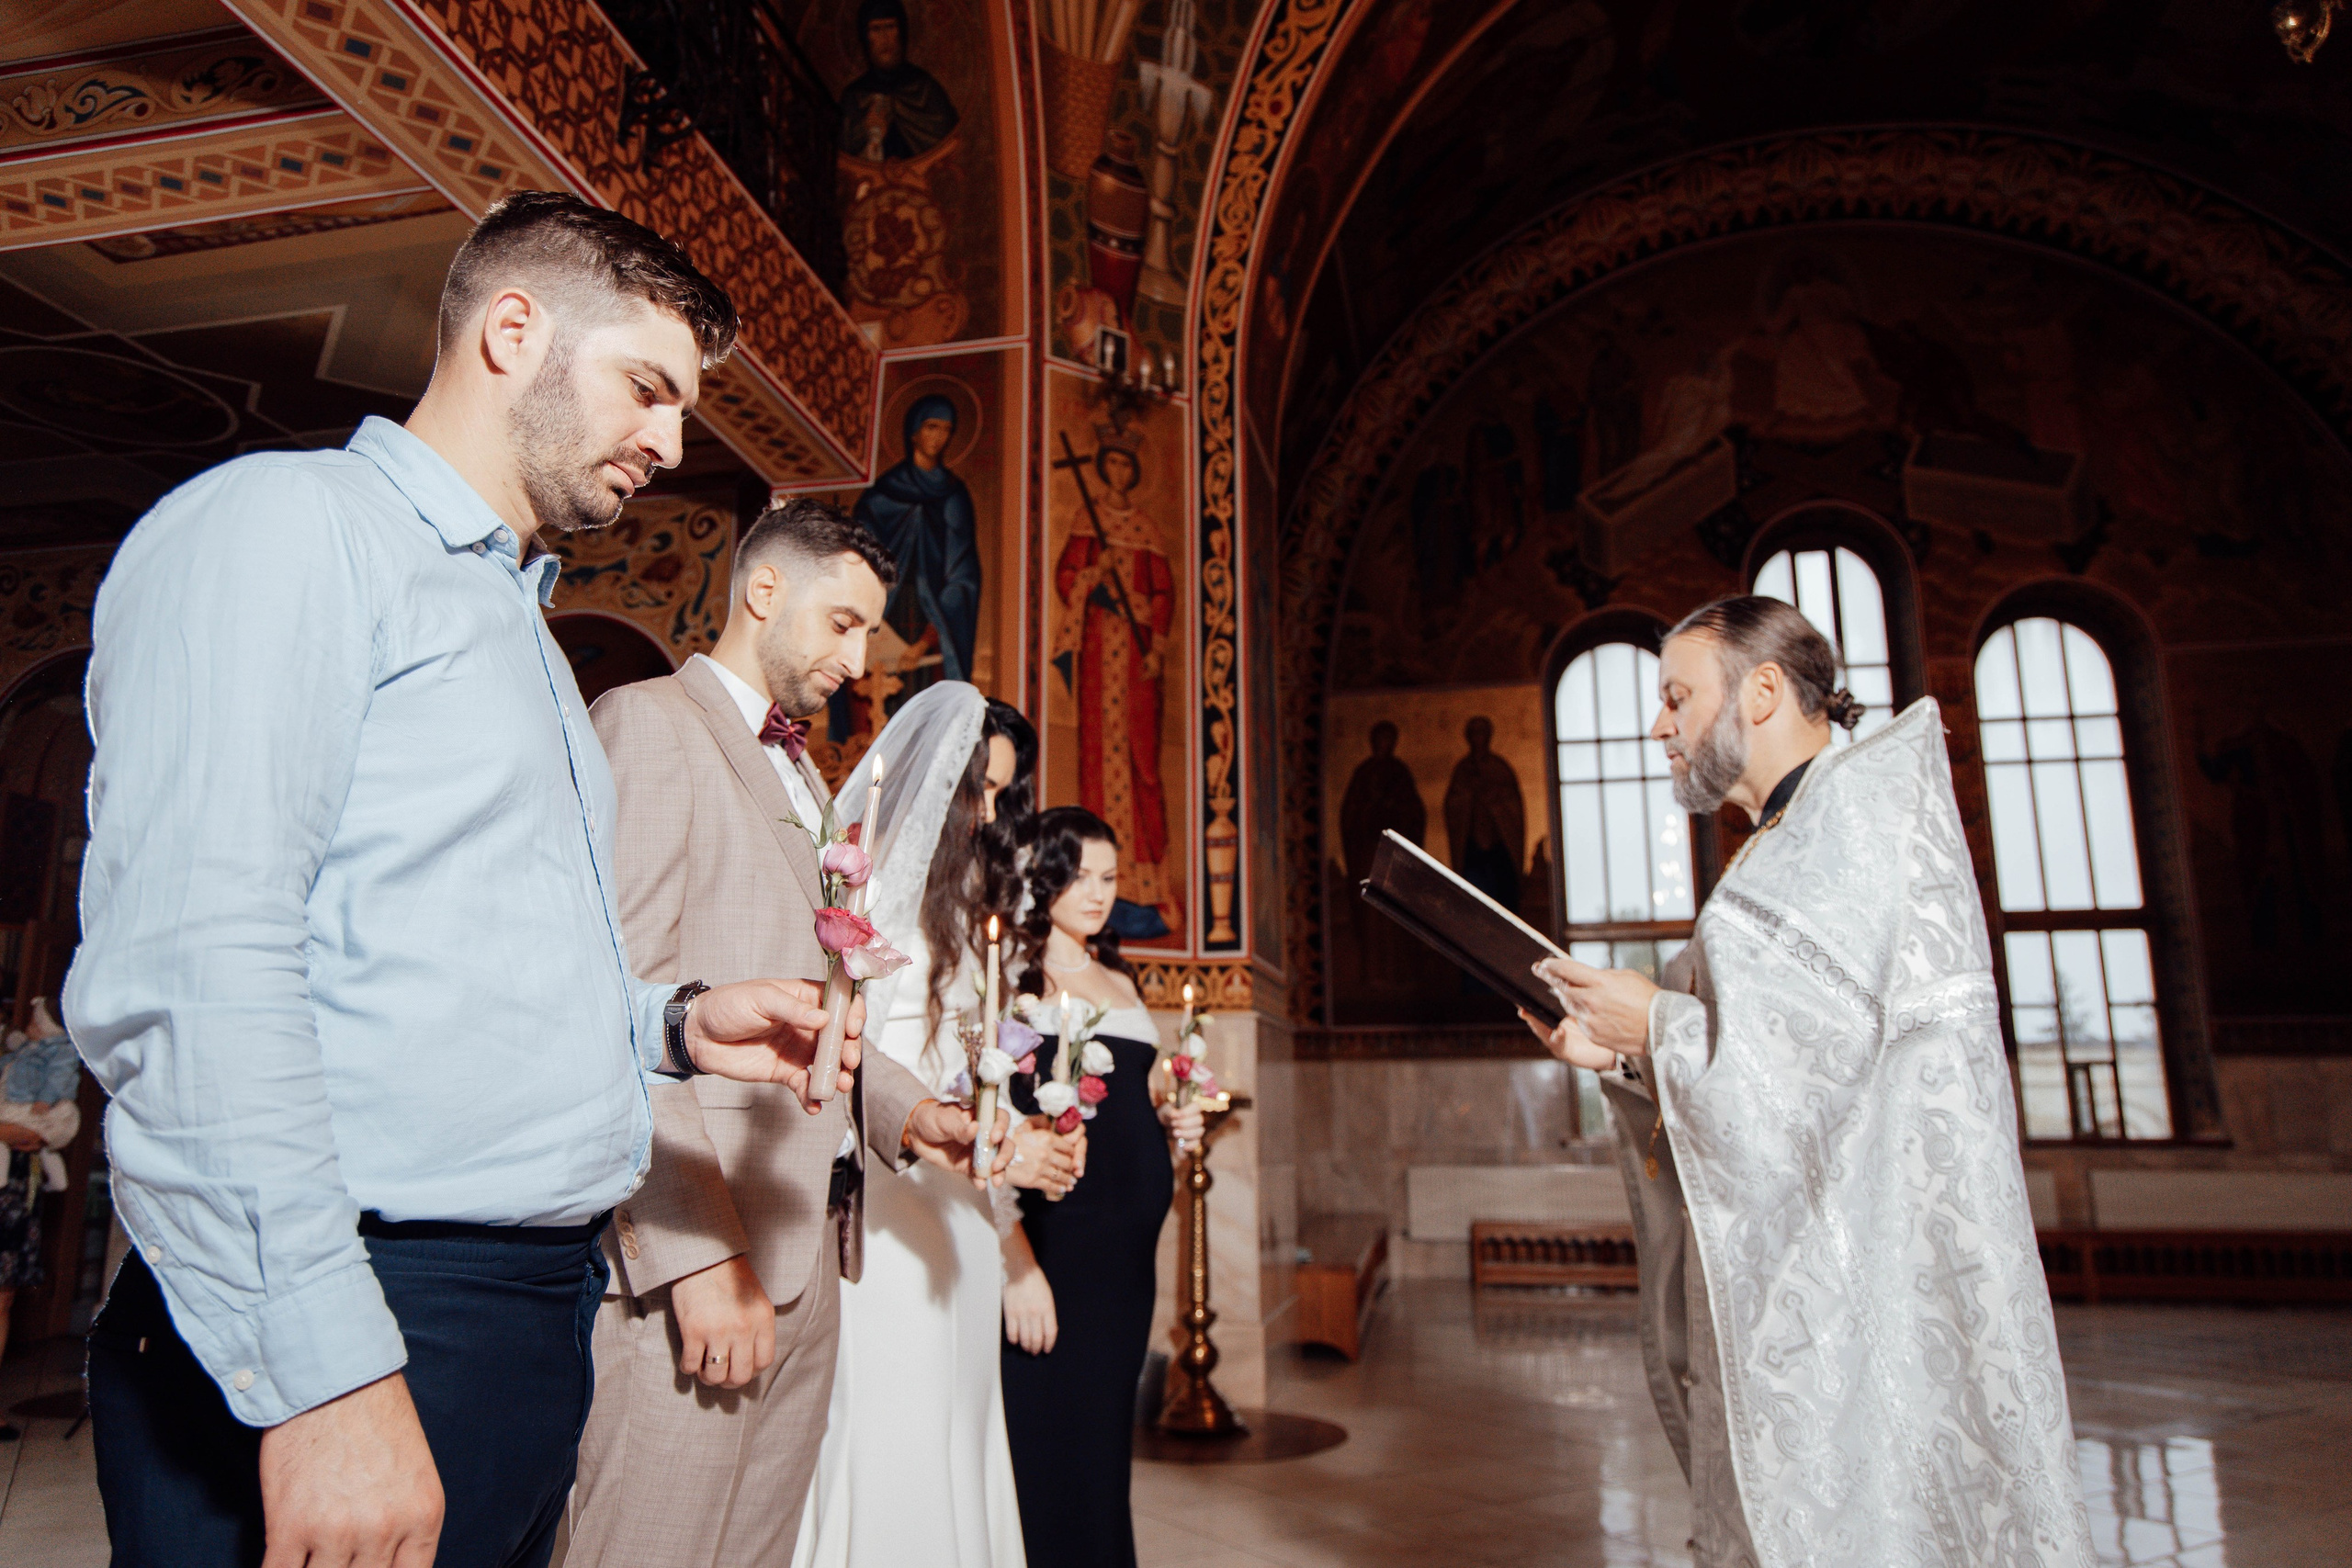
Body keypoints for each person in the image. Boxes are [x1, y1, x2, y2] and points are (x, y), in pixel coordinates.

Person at [65, 190, 869, 1568]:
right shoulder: (289, 528)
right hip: (369, 1298)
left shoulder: (522, 629)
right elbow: (197, 971)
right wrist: (322, 1372)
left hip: (516, 1307)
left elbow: (448, 970)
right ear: (513, 331)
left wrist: (668, 1021)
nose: (670, 444)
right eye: (647, 388)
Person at [1521, 596, 2094, 1568]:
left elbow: (1817, 1070)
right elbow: (1793, 1058)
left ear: (1765, 689)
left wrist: (1654, 1019)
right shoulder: (1803, 836)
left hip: (1873, 1277)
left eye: (1675, 696)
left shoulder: (1852, 824)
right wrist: (1622, 1052)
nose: (1656, 725)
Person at [567, 499, 1050, 1568]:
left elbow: (810, 1013)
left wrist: (918, 1115)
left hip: (811, 1254)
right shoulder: (649, 725)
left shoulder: (808, 779)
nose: (856, 656)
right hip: (705, 1256)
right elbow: (619, 1012)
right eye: (840, 623)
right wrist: (697, 1259)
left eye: (868, 631)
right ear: (764, 590)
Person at [795, 687, 1075, 1568]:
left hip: (962, 1213)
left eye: (998, 795)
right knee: (895, 1430)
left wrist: (1012, 1158)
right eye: (974, 793)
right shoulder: (864, 902)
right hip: (888, 1205)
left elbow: (970, 1074)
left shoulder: (965, 919)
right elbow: (853, 1072)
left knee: (961, 1423)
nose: (987, 815)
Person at [999, 807, 1204, 1568]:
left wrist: (1172, 1117)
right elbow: (996, 1119)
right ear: (1041, 875)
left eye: (1110, 877)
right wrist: (1014, 1261)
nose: (1097, 892)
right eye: (1079, 873)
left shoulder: (1121, 975)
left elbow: (1136, 1096)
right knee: (1049, 1435)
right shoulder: (1010, 978)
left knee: (1105, 1439)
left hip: (1128, 1257)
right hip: (1060, 1242)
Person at [1052, 429, 1181, 935]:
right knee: (1099, 759)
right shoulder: (1089, 521)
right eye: (1114, 464)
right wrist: (1092, 573)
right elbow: (1067, 577)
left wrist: (1159, 646)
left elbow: (1163, 593)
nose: (1120, 474)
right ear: (1104, 466)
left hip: (1137, 657)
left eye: (1129, 466)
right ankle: (1097, 886)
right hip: (1099, 651)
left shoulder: (1145, 527)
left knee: (1141, 760)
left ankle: (1147, 887)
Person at [850, 393, 981, 700]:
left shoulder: (954, 496)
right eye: (931, 427)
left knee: (922, 702)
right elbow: (858, 555)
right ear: (913, 431)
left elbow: (962, 575)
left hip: (930, 618)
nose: (939, 437)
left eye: (947, 429)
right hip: (884, 612)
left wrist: (926, 641)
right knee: (877, 703)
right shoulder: (881, 494)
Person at [0, 996, 81, 1441]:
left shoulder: (44, 1061)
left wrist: (28, 1134)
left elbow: (44, 1131)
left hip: (12, 1191)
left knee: (2, 1298)